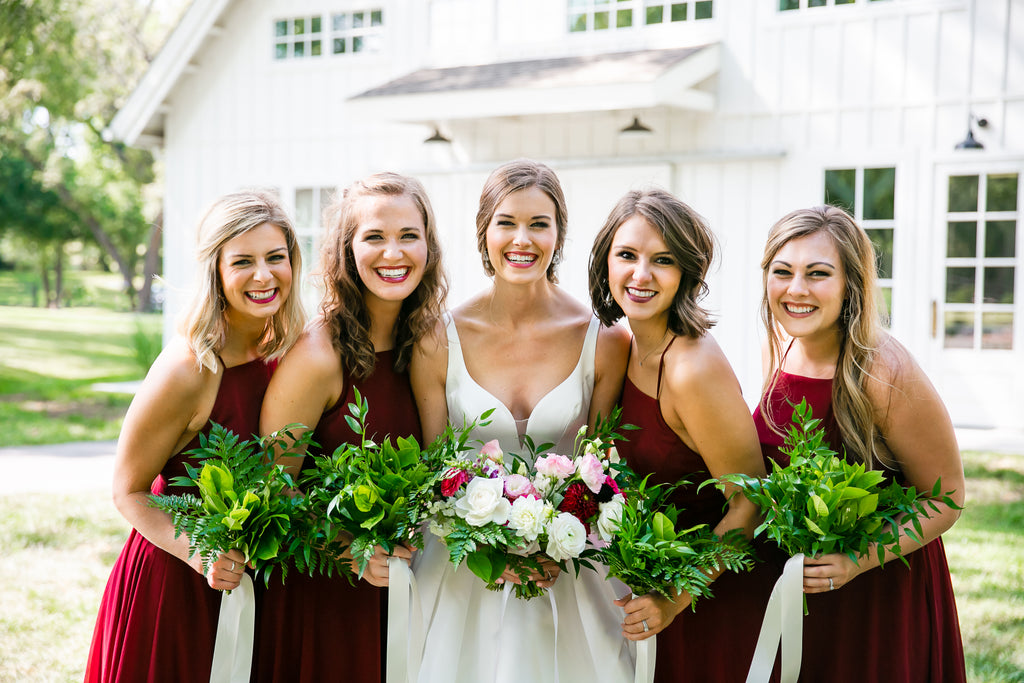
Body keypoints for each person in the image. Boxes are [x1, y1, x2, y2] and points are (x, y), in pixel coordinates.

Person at [410, 159, 633, 683]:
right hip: (463, 566)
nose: (522, 240)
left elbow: (599, 473)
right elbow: (434, 468)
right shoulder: (437, 338)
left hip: (570, 566)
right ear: (483, 231)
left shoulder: (603, 340)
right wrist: (487, 547)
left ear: (559, 234)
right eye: (507, 222)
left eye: (539, 224)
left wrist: (561, 539)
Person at [84, 190, 305, 682]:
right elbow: (127, 489)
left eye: (276, 257)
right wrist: (199, 551)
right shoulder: (190, 367)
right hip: (177, 583)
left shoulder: (289, 352)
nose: (264, 275)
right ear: (216, 272)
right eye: (243, 261)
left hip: (255, 582)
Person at [754, 205, 967, 681]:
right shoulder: (785, 346)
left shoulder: (882, 371)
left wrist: (858, 560)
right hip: (806, 599)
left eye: (818, 274)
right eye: (782, 272)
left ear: (852, 283)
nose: (796, 289)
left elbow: (948, 496)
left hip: (877, 598)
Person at [253, 172, 447, 682]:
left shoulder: (428, 343)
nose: (394, 253)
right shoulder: (318, 356)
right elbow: (272, 486)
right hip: (327, 597)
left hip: (410, 586)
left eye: (409, 235)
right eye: (374, 237)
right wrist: (348, 548)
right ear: (346, 249)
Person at [588, 188, 776, 682]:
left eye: (663, 260)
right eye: (626, 255)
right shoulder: (626, 346)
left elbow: (752, 501)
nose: (641, 274)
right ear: (605, 262)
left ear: (687, 274)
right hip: (653, 595)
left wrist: (674, 599)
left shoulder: (691, 369)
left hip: (711, 601)